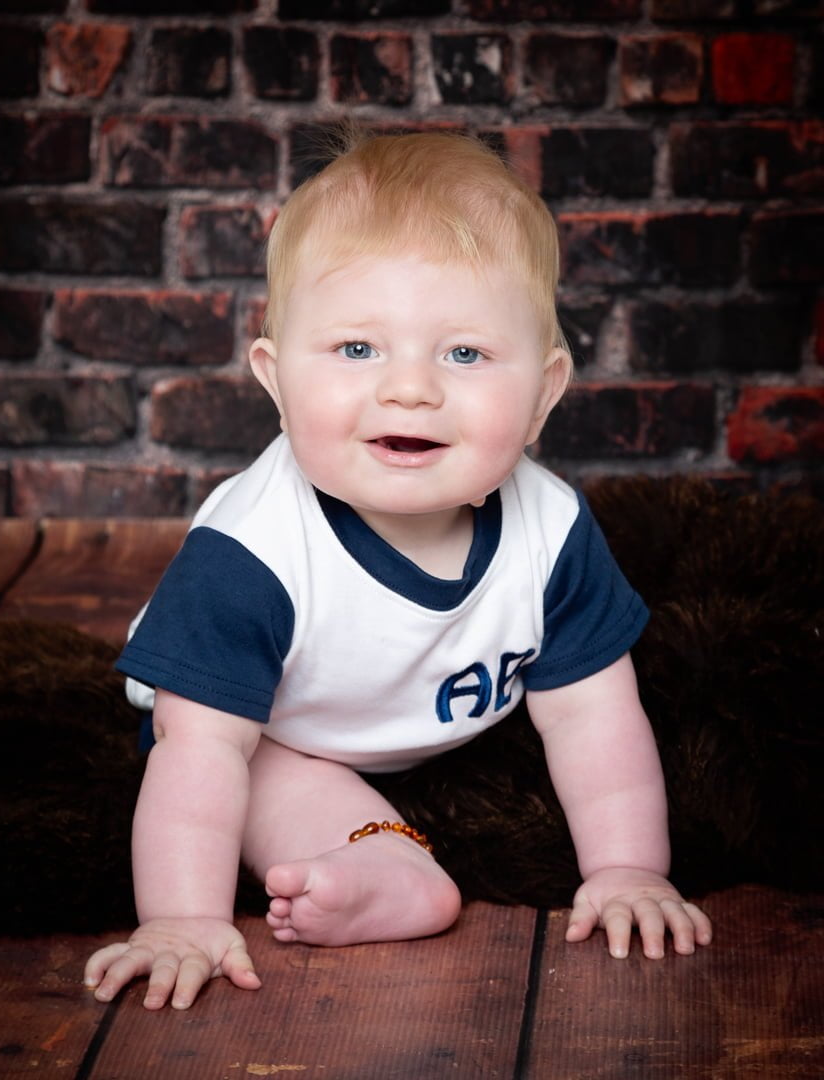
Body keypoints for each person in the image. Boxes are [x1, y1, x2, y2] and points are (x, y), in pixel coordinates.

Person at [84, 131, 712, 1011]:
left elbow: (594, 714)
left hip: (426, 719)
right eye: (355, 350)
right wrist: (180, 919)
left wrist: (627, 868)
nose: (409, 389)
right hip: (270, 733)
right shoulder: (253, 553)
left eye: (464, 354)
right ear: (274, 378)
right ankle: (387, 872)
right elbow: (201, 753)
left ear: (543, 394)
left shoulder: (552, 528)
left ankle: (394, 849)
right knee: (268, 784)